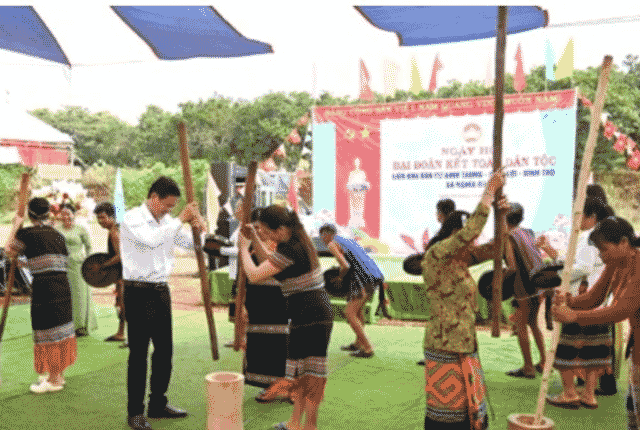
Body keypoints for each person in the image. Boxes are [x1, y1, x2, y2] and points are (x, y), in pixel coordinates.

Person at [421, 170, 506, 430]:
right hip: (444, 344)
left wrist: (502, 217)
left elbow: (497, 247)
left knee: (469, 411)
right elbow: (471, 232)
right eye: (466, 238)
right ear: (454, 234)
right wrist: (489, 193)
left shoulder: (460, 259)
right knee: (447, 413)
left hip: (464, 342)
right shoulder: (437, 254)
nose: (471, 244)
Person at [120, 176, 205, 430]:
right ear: (154, 197)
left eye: (172, 207)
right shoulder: (132, 218)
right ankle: (135, 412)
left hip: (160, 290)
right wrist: (180, 219)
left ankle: (158, 403)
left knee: (165, 350)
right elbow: (151, 240)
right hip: (137, 291)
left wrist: (199, 227)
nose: (169, 211)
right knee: (139, 353)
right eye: (167, 205)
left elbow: (191, 244)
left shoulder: (167, 221)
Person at [240, 204, 333, 430]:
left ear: (281, 229)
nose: (265, 235)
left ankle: (309, 425)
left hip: (313, 316)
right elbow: (269, 259)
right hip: (305, 315)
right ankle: (294, 423)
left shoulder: (293, 249)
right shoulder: (292, 242)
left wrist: (243, 248)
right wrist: (254, 238)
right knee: (301, 373)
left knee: (312, 376)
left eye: (266, 231)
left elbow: (254, 274)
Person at [551, 216, 640, 429]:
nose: (601, 255)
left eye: (604, 249)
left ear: (624, 243)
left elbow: (621, 310)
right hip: (637, 347)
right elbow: (594, 297)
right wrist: (569, 302)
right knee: (634, 413)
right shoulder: (615, 263)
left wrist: (574, 316)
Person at [538, 198, 613, 409]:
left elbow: (582, 267)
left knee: (567, 347)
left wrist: (558, 275)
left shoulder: (590, 237)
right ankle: (589, 394)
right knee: (594, 349)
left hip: (580, 300)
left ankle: (570, 392)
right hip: (598, 302)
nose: (575, 219)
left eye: (578, 214)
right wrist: (554, 255)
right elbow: (577, 261)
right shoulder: (601, 236)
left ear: (591, 217)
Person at [5, 197, 77, 393]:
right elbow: (54, 261)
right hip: (63, 286)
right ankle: (58, 375)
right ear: (48, 214)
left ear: (30, 215)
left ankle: (54, 380)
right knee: (60, 330)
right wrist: (28, 263)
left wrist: (15, 226)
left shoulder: (27, 233)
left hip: (45, 289)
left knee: (49, 330)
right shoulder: (57, 234)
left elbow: (8, 251)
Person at [242, 208, 292, 404]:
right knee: (262, 345)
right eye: (255, 228)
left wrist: (243, 248)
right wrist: (241, 305)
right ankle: (271, 386)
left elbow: (259, 272)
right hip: (259, 305)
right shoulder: (253, 248)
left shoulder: (286, 247)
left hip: (283, 303)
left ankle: (290, 387)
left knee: (285, 347)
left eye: (261, 228)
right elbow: (244, 280)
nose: (259, 232)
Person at [319, 223, 383, 358]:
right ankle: (358, 343)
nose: (321, 240)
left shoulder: (332, 244)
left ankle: (368, 348)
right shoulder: (349, 240)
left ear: (325, 235)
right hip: (375, 277)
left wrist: (339, 277)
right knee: (358, 312)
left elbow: (345, 266)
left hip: (362, 279)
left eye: (321, 237)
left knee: (349, 313)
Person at [503, 203, 547, 380]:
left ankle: (528, 367)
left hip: (523, 286)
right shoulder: (527, 232)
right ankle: (544, 362)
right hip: (537, 284)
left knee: (521, 325)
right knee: (533, 324)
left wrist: (500, 279)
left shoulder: (509, 237)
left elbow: (512, 267)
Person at [58, 203, 98, 337]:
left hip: (78, 265)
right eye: (63, 214)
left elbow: (89, 246)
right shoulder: (57, 229)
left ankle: (80, 326)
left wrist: (86, 259)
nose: (65, 216)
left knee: (79, 295)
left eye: (68, 213)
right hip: (62, 265)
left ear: (73, 214)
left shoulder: (81, 229)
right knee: (65, 295)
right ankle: (66, 325)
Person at [94, 202, 127, 345]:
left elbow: (121, 256)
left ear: (111, 217)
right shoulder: (116, 229)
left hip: (126, 274)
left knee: (125, 305)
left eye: (103, 217)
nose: (100, 221)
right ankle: (121, 333)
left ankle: (132, 336)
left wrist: (103, 266)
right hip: (122, 273)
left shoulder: (115, 233)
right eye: (98, 218)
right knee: (123, 304)